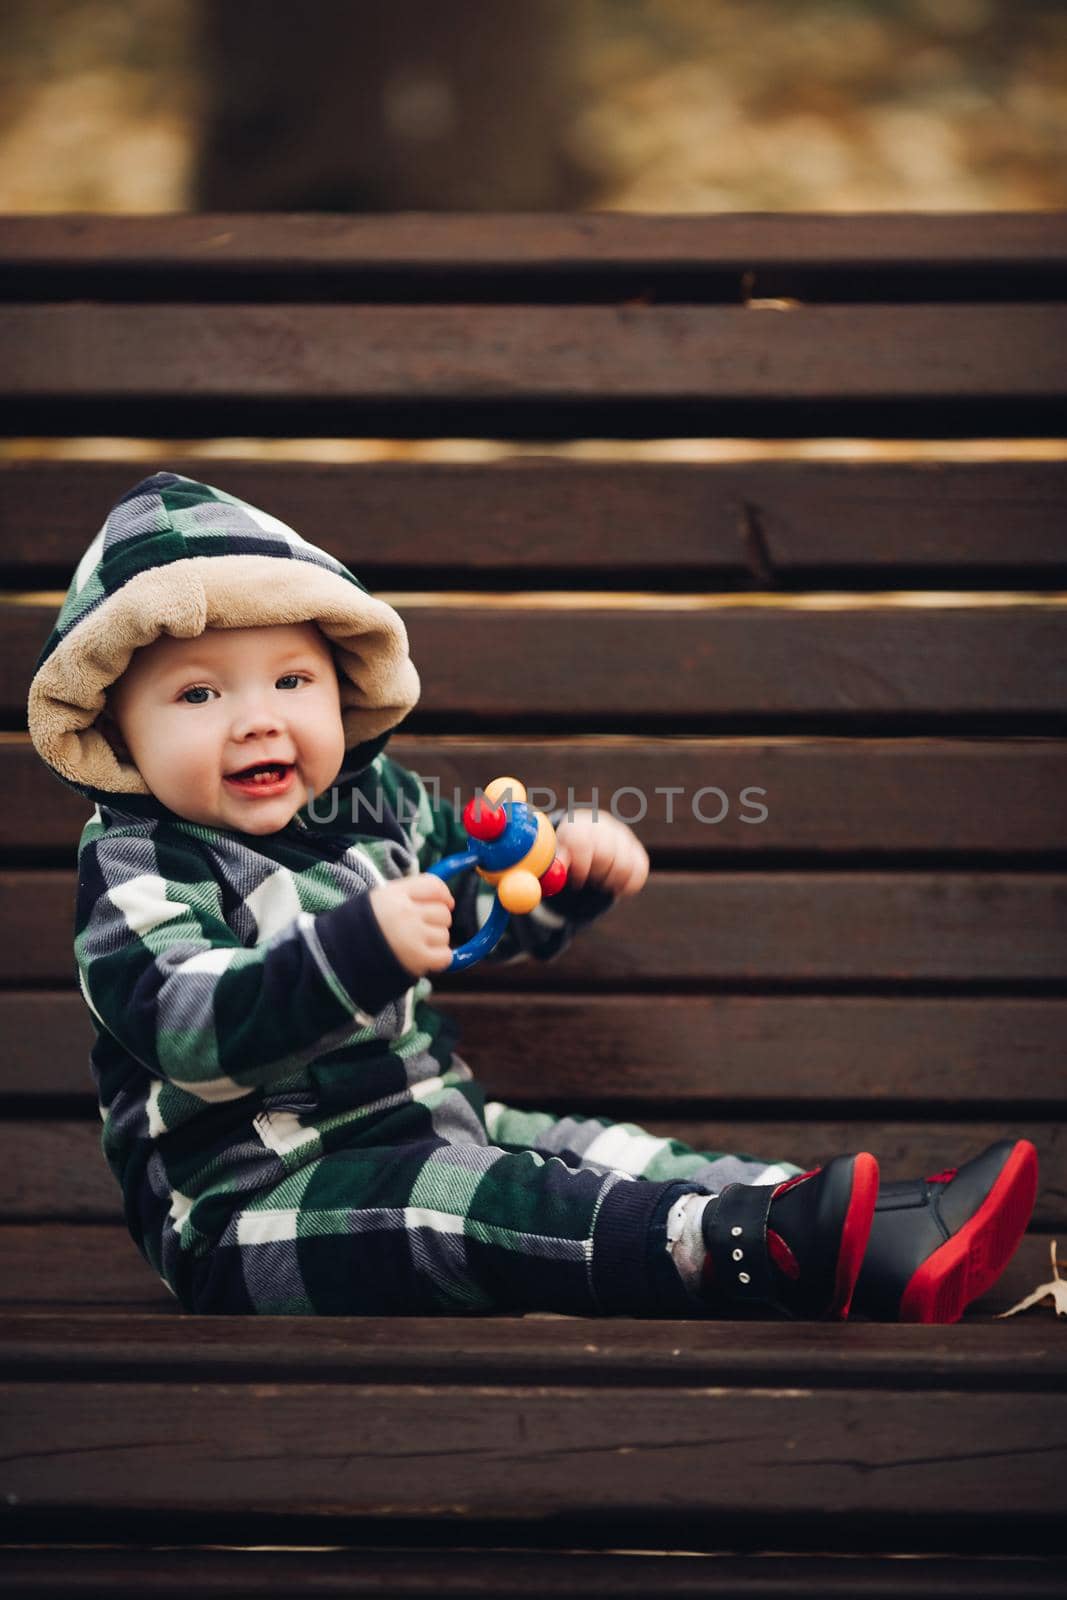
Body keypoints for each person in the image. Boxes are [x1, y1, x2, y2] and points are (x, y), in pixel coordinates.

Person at [27, 472, 1038, 1323]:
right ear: (118, 731)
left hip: (426, 1118)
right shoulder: (139, 861)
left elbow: (476, 905)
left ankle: (856, 1226)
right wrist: (358, 948)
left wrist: (559, 880)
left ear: (341, 692)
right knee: (473, 1201)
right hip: (253, 1203)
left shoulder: (373, 802)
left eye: (290, 681)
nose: (256, 721)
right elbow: (185, 1026)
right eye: (200, 694)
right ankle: (753, 1253)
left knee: (587, 1150)